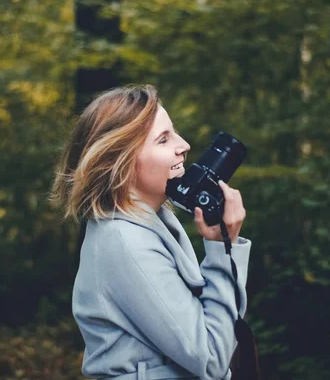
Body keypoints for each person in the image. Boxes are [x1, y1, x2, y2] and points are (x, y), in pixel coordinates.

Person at [50, 84, 252, 380]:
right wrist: (223, 249)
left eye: (175, 133)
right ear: (120, 160)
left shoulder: (149, 223)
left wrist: (221, 242)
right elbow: (210, 358)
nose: (183, 145)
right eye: (163, 139)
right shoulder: (124, 242)